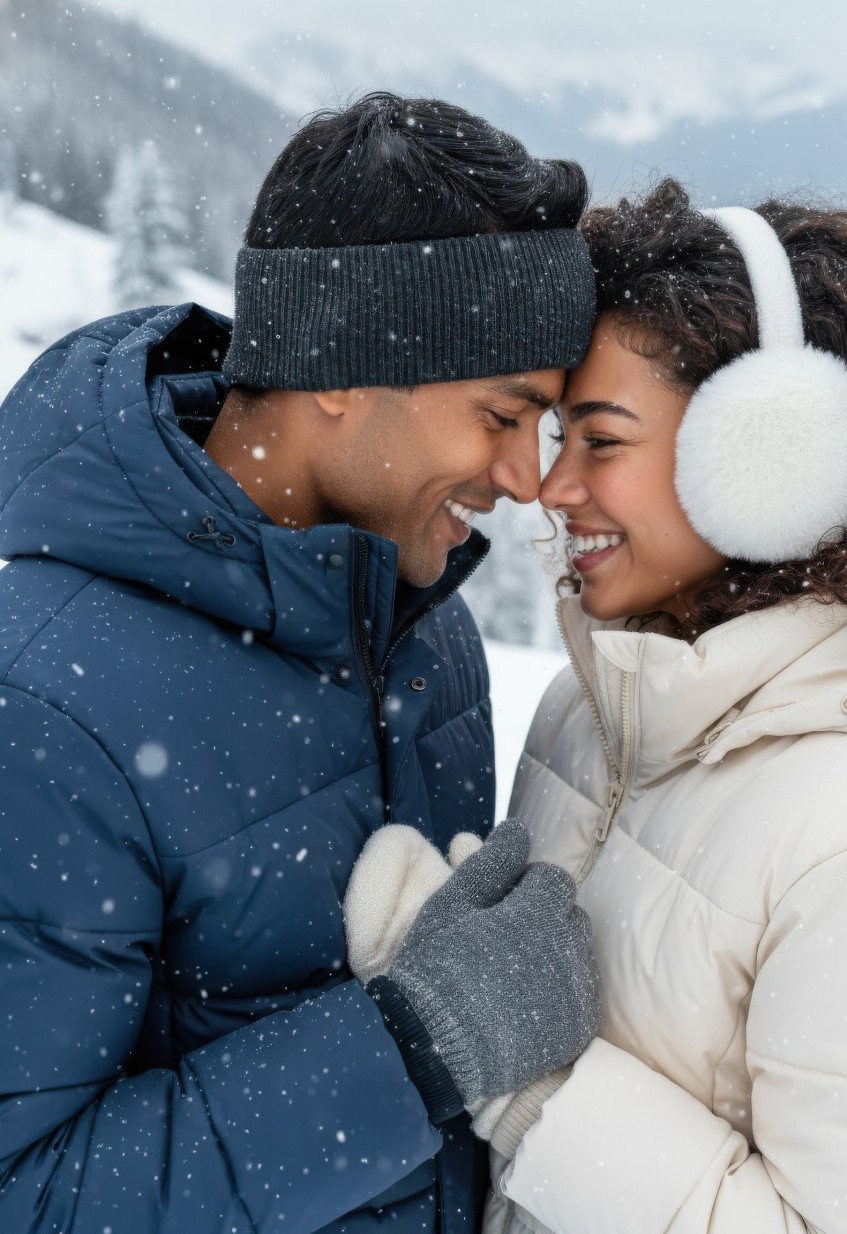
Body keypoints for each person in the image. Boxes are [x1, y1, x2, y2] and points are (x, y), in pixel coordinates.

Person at [0, 92, 600, 1234]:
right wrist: (415, 1050)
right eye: (500, 413)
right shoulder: (45, 702)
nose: (526, 476)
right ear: (339, 363)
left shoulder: (427, 638)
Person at [483, 179, 847, 1232]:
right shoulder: (588, 709)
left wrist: (528, 1092)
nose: (553, 488)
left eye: (600, 440)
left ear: (777, 458)